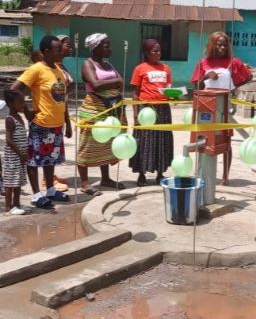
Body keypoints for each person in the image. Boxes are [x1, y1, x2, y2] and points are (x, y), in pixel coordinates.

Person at [11, 35, 70, 208]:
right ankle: (37, 194)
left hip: (57, 125)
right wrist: (26, 110)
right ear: (46, 51)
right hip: (41, 125)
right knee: (35, 160)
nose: (61, 52)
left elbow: (62, 98)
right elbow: (14, 89)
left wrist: (66, 121)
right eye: (57, 49)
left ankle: (50, 189)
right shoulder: (36, 69)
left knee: (51, 159)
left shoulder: (58, 70)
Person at [191, 31, 252, 185]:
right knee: (204, 139)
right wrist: (205, 77)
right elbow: (196, 86)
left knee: (226, 141)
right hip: (206, 107)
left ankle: (225, 177)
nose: (222, 47)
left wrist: (233, 87)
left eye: (225, 44)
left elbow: (248, 76)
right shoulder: (203, 63)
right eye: (219, 44)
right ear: (212, 45)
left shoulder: (233, 62)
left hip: (223, 106)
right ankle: (200, 174)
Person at [77, 33, 125, 194]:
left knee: (106, 143)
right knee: (88, 144)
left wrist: (116, 83)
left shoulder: (108, 66)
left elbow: (122, 82)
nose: (109, 48)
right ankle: (84, 183)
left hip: (110, 109)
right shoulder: (88, 64)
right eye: (106, 45)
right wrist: (115, 82)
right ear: (95, 47)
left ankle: (105, 178)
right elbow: (96, 85)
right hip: (94, 109)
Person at [129, 39, 174, 186]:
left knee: (162, 139)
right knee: (144, 140)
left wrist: (174, 94)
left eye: (159, 50)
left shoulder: (166, 68)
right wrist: (135, 114)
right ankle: (141, 173)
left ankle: (160, 173)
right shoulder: (140, 68)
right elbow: (135, 93)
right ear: (147, 53)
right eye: (155, 51)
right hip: (146, 109)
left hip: (163, 109)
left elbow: (168, 88)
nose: (158, 53)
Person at [3, 89, 29, 215]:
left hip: (20, 156)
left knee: (17, 181)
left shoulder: (19, 117)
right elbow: (8, 140)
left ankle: (17, 204)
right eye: (20, 102)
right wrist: (20, 153)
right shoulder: (10, 119)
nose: (23, 105)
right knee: (10, 182)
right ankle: (8, 206)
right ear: (10, 104)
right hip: (13, 157)